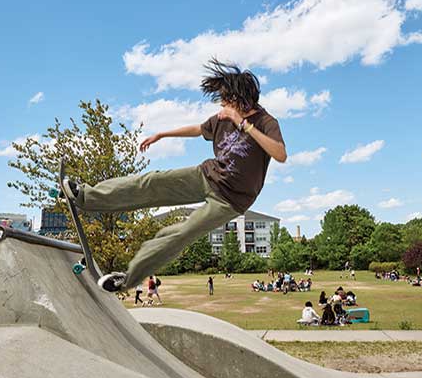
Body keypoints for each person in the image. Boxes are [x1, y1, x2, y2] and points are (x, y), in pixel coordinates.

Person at [62, 59, 287, 293]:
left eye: (226, 99)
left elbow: (280, 154)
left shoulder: (266, 122)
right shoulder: (222, 117)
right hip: (207, 175)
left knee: (180, 233)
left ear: (241, 98)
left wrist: (242, 123)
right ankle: (85, 196)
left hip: (230, 200)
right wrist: (162, 134)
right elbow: (199, 129)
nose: (222, 104)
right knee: (151, 183)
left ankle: (128, 279)